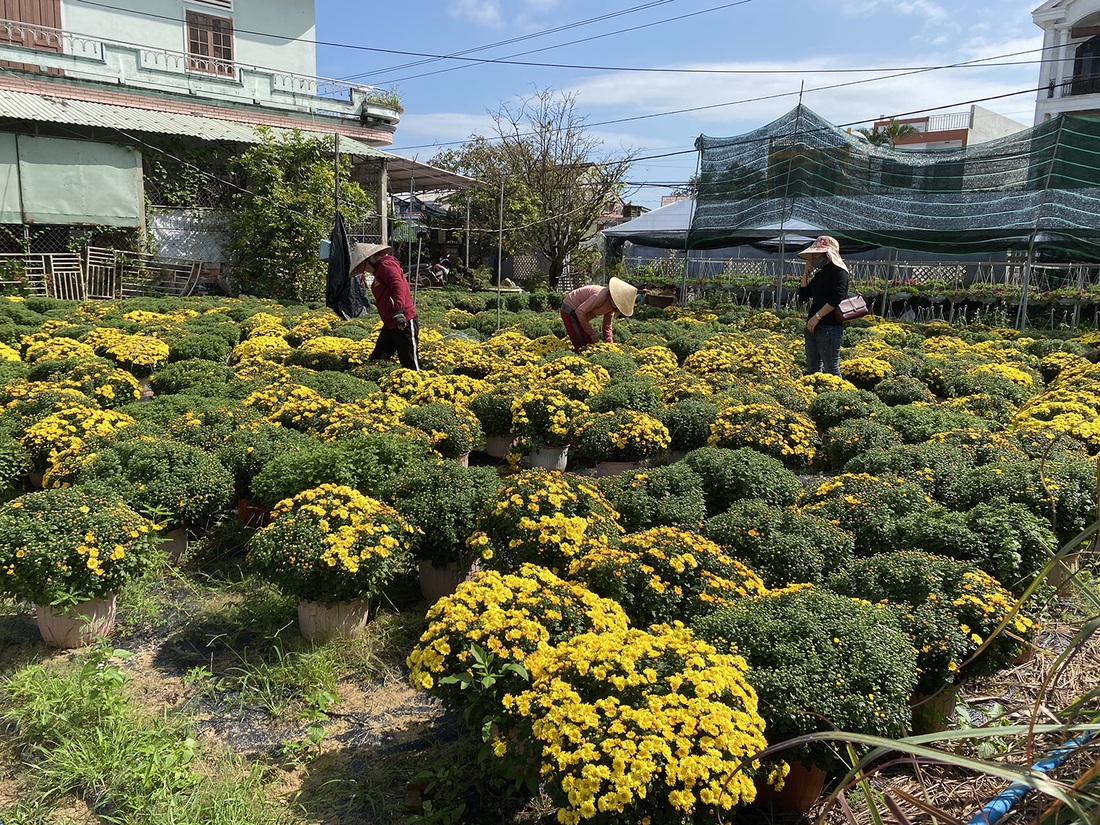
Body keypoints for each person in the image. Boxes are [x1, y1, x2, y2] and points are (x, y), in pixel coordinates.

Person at [350, 242, 420, 371]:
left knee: (409, 363)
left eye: (363, 265)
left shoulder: (386, 265)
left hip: (402, 320)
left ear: (370, 258)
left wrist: (399, 310)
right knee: (378, 360)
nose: (364, 269)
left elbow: (398, 286)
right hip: (391, 323)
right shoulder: (379, 270)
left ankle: (418, 387)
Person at [797, 235, 850, 376]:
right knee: (813, 369)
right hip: (813, 325)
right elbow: (803, 296)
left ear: (827, 254)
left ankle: (839, 396)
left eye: (817, 254)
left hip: (829, 327)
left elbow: (837, 297)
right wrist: (805, 275)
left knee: (831, 369)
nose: (814, 257)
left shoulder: (840, 272)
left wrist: (817, 316)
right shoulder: (821, 273)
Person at [560, 277, 638, 352]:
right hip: (570, 309)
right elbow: (580, 312)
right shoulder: (601, 295)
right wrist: (592, 333)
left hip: (579, 314)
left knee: (589, 342)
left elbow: (607, 326)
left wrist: (610, 344)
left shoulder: (612, 307)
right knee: (581, 344)